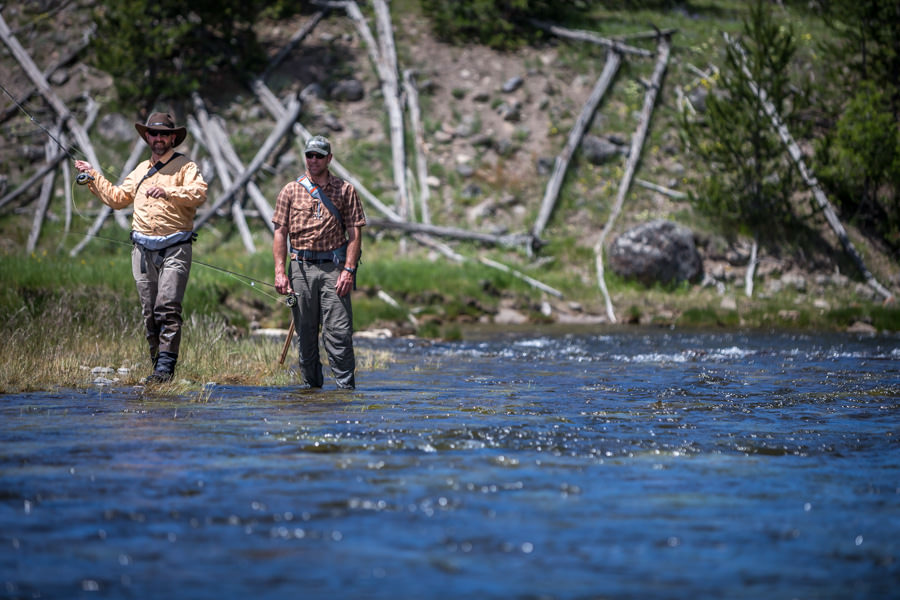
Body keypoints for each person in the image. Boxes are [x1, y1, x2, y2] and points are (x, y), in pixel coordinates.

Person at [75, 112, 207, 383]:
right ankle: (157, 367)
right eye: (154, 133)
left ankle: (165, 370)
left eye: (164, 134)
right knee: (150, 312)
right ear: (147, 137)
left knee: (168, 307)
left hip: (176, 247)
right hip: (142, 250)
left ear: (173, 138)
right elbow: (118, 198)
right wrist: (92, 176)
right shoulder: (140, 170)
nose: (158, 138)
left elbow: (199, 193)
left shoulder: (186, 167)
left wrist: (169, 192)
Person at [272, 135, 366, 389]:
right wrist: (280, 272)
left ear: (329, 158)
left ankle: (345, 391)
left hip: (334, 268)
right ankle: (311, 393)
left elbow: (355, 233)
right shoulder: (290, 190)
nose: (313, 160)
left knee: (338, 333)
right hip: (300, 268)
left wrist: (349, 270)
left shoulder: (346, 190)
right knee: (305, 334)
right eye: (309, 155)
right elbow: (280, 233)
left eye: (319, 156)